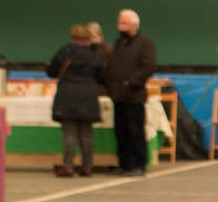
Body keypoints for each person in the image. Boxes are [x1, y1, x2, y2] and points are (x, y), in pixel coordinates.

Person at [46, 24, 106, 177]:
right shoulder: (93, 55)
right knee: (86, 133)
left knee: (69, 133)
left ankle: (68, 166)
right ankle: (87, 167)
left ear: (72, 36)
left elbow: (51, 71)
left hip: (67, 95)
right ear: (87, 38)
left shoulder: (64, 52)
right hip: (88, 96)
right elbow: (102, 77)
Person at [105, 9, 156, 177]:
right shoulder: (119, 44)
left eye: (123, 23)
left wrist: (131, 81)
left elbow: (148, 67)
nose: (120, 26)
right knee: (121, 132)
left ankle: (138, 164)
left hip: (134, 96)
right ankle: (124, 163)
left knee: (135, 131)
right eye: (119, 23)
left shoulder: (145, 43)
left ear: (134, 25)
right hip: (118, 96)